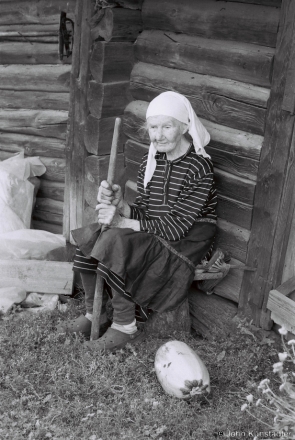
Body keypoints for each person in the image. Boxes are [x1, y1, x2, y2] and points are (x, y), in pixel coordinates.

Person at [58, 91, 217, 351]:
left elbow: (177, 227)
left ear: (185, 127)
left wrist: (122, 223)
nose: (159, 135)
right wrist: (123, 206)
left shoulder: (199, 167)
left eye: (167, 126)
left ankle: (124, 327)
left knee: (114, 239)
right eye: (154, 127)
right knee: (91, 233)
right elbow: (146, 211)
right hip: (158, 229)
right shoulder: (151, 161)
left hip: (188, 239)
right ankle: (94, 314)